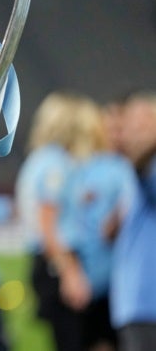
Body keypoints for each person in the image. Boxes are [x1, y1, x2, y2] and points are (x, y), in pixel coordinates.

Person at [16, 90, 135, 351]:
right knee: (75, 339)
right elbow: (49, 225)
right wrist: (69, 271)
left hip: (49, 260)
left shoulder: (40, 160)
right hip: (59, 261)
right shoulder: (57, 165)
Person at [110, 91, 156, 351]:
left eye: (141, 125)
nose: (130, 133)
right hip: (136, 302)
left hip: (147, 299)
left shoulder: (147, 165)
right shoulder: (132, 169)